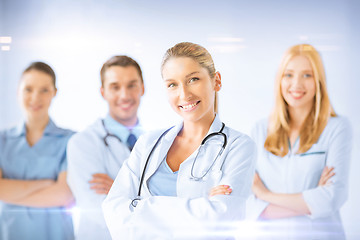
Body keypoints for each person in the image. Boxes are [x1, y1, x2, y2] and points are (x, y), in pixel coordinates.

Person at [102, 42, 256, 239]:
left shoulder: (239, 146)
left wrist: (138, 206)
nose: (184, 94)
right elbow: (114, 210)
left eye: (193, 79)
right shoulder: (148, 143)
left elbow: (220, 219)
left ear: (216, 80)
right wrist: (201, 204)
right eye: (172, 84)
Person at [246, 44, 352, 239]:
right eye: (289, 75)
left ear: (318, 81)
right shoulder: (260, 130)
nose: (297, 84)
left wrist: (265, 195)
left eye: (307, 75)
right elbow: (247, 204)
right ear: (280, 80)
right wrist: (311, 202)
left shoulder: (337, 128)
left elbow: (332, 199)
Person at [66, 55, 145, 239]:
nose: (124, 95)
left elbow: (172, 207)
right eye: (115, 87)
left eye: (132, 85)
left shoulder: (154, 144)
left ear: (142, 88)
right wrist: (149, 200)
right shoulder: (82, 144)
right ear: (103, 92)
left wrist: (121, 192)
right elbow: (101, 213)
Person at [0, 62, 75, 240]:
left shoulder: (70, 140)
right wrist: (47, 184)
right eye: (28, 89)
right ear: (18, 91)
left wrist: (9, 193)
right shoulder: (2, 140)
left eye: (44, 90)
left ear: (54, 93)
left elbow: (64, 194)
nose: (36, 97)